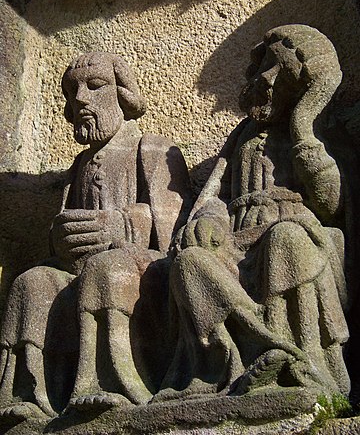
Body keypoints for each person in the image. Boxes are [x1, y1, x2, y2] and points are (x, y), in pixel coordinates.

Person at [157, 25, 350, 401]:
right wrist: (209, 218)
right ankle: (230, 362)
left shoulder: (322, 131)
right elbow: (216, 191)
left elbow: (332, 203)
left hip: (295, 237)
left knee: (286, 240)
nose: (266, 78)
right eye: (265, 65)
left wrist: (303, 128)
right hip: (237, 243)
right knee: (190, 263)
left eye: (281, 73)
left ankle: (300, 361)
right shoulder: (243, 134)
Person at [0, 52, 191, 420]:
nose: (81, 98)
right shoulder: (78, 167)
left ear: (123, 93)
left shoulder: (152, 148)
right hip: (82, 270)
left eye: (95, 86)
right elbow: (63, 233)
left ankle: (112, 384)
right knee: (32, 283)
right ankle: (26, 394)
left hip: (142, 270)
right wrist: (60, 239)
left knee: (106, 269)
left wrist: (122, 224)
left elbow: (175, 229)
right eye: (72, 91)